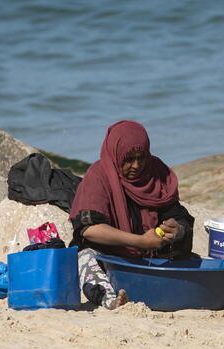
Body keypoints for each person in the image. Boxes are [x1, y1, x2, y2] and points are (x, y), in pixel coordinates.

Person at [68, 120, 194, 309]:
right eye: (128, 159)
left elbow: (177, 215)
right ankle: (111, 300)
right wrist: (140, 241)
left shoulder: (157, 174)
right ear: (116, 154)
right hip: (109, 260)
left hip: (147, 260)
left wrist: (178, 230)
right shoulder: (98, 176)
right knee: (85, 259)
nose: (136, 165)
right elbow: (89, 229)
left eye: (141, 157)